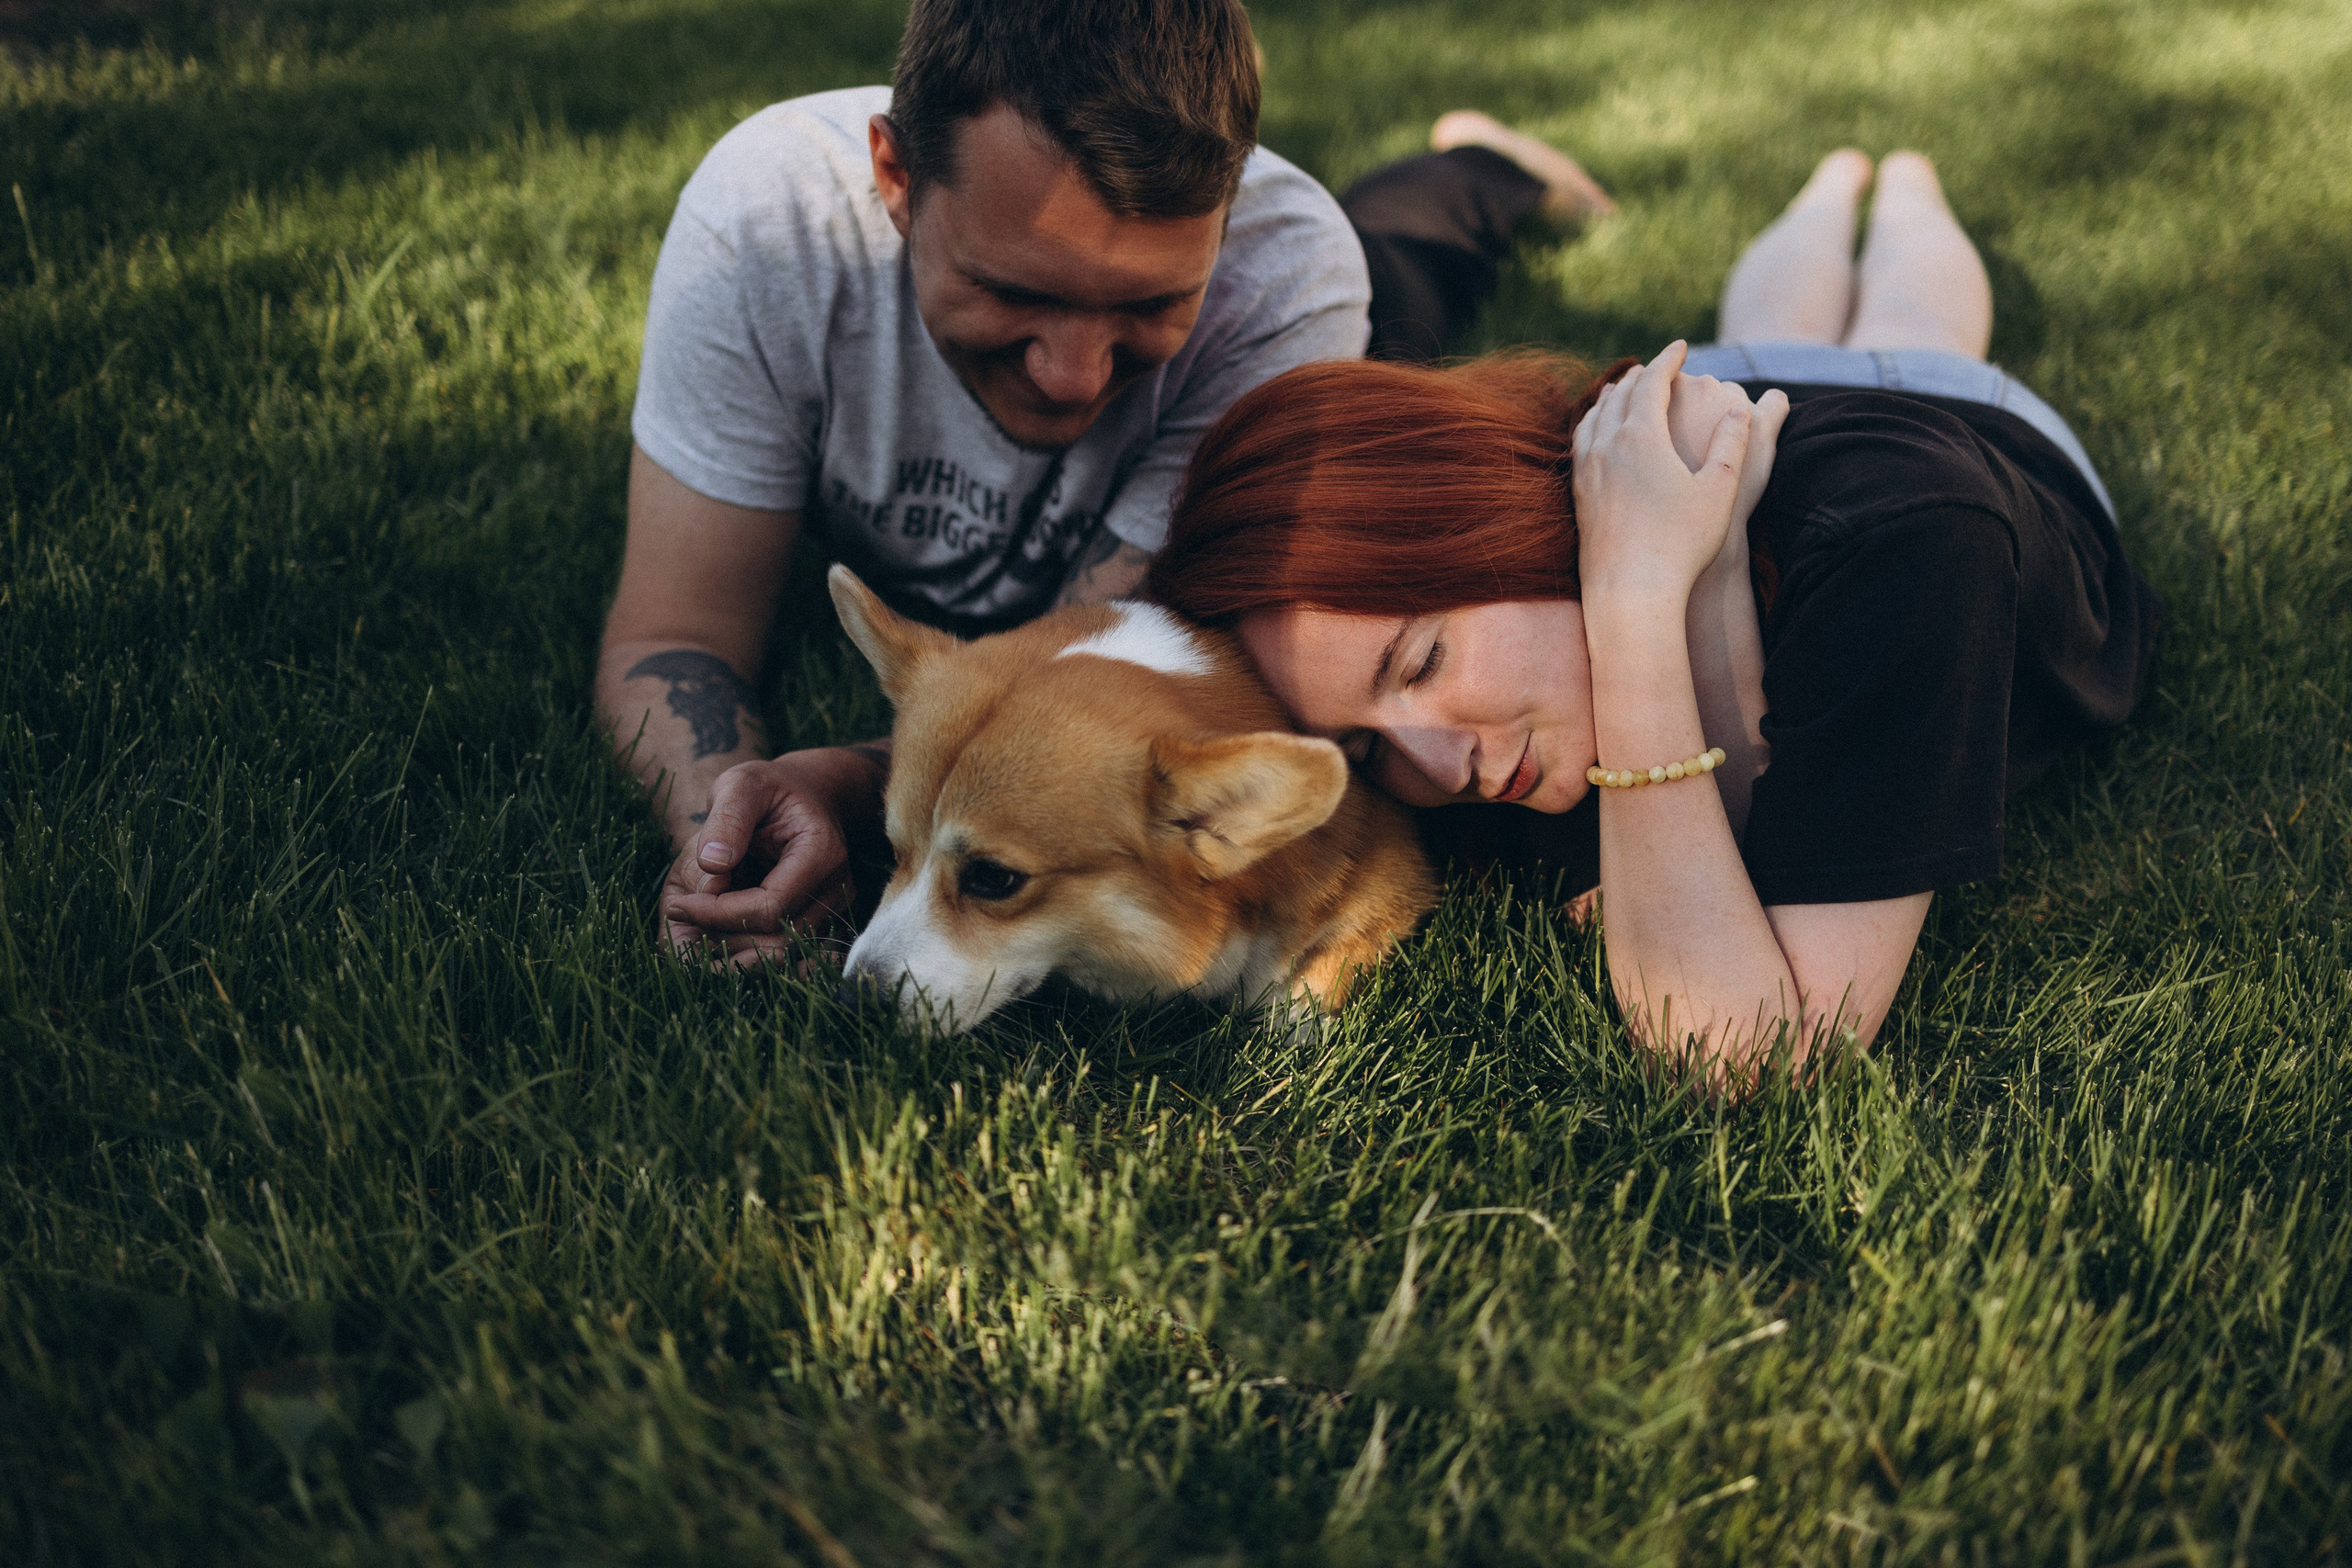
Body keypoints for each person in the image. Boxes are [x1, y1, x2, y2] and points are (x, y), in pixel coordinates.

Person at [595, 0, 1612, 964]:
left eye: (1152, 304)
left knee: (1408, 264)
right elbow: (673, 636)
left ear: (1226, 217)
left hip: (1340, 330)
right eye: (1012, 290)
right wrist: (729, 835)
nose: (1071, 376)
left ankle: (1484, 172)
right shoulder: (767, 229)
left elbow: (1115, 702)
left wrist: (838, 782)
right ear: (895, 177)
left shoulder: (1286, 276)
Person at [1146, 150, 2161, 1084]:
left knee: (1917, 324)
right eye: (1365, 753)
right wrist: (1699, 589)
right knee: (1780, 328)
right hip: (1735, 393)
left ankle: (1902, 181)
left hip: (1961, 421)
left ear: (1493, 523)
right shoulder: (1492, 734)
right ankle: (1824, 187)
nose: (1438, 766)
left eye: (1421, 661)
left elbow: (1752, 1056)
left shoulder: (1910, 542)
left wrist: (1636, 604)